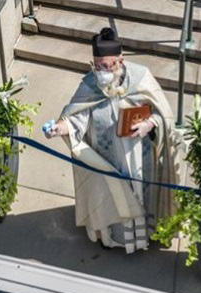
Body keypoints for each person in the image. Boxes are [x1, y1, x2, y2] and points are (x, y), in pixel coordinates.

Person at [45, 27, 180, 253]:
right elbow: (77, 118)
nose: (104, 71)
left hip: (139, 157)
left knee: (139, 194)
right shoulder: (90, 84)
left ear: (121, 60)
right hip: (106, 159)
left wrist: (151, 124)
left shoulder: (141, 78)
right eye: (99, 66)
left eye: (109, 65)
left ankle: (144, 236)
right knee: (112, 196)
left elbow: (164, 113)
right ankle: (114, 239)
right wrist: (60, 128)